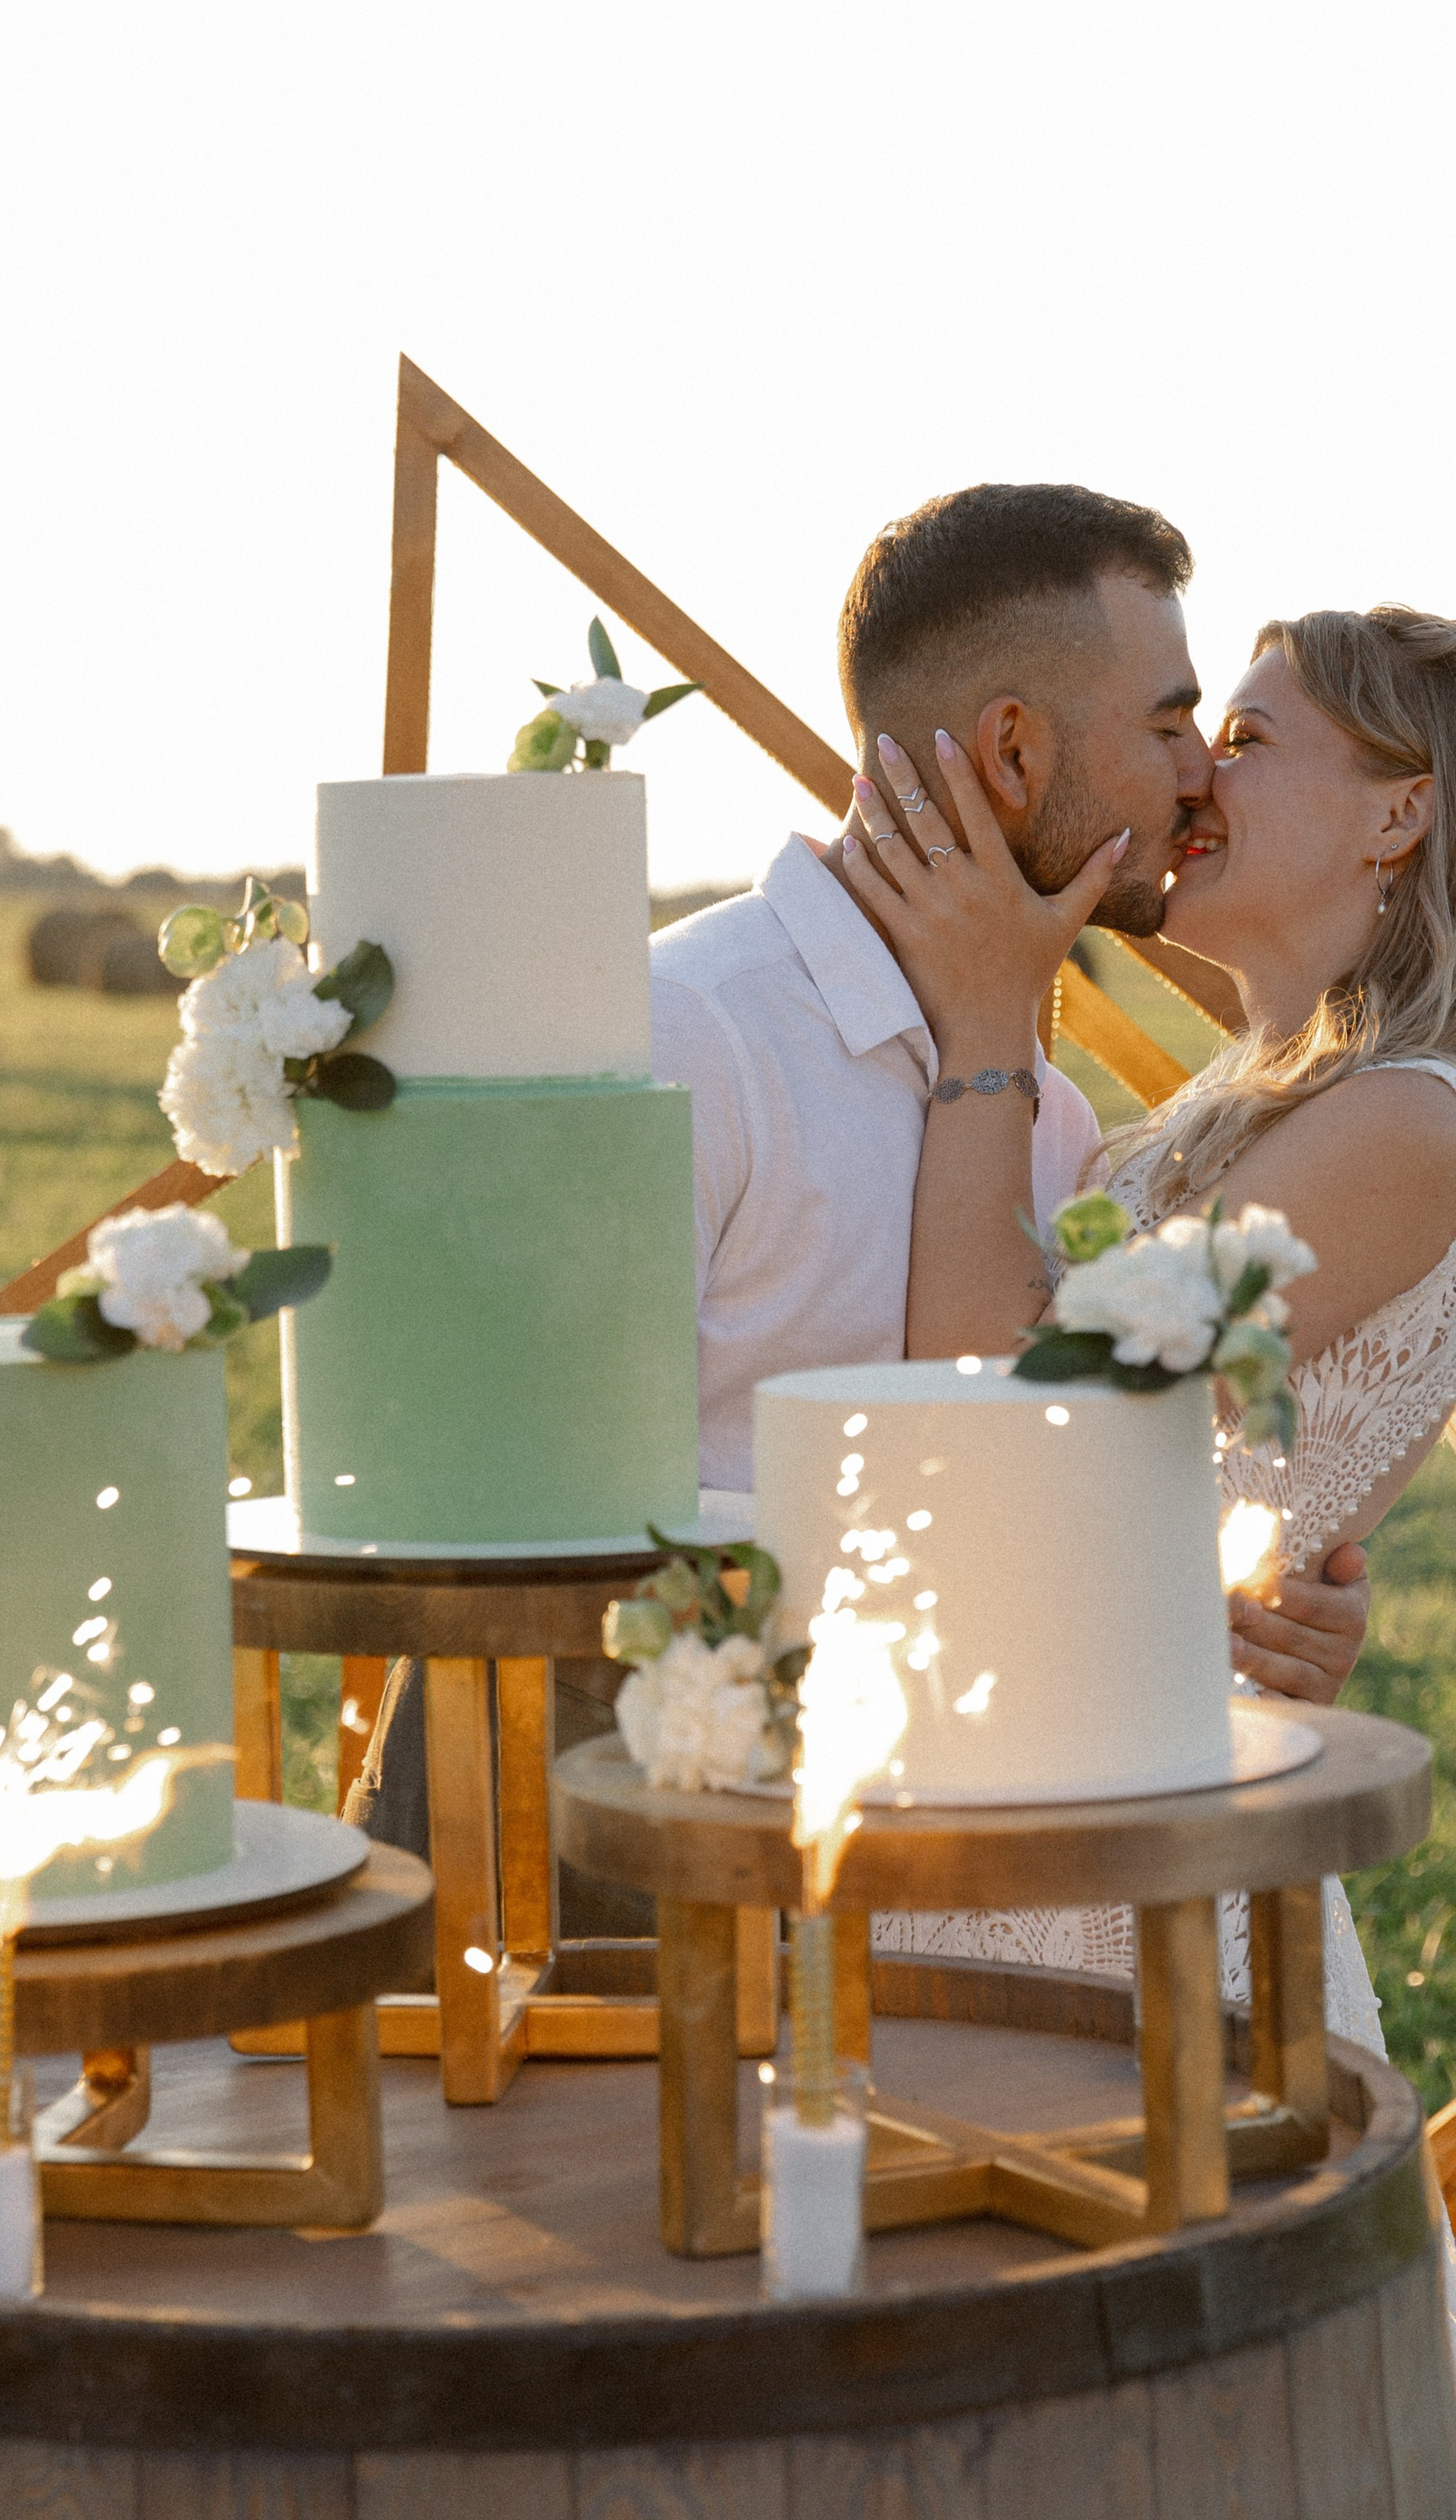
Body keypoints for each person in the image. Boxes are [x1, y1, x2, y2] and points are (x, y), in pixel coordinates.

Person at [842, 602, 1456, 2520]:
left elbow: (1008, 1424)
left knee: (1167, 2499)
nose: (1201, 779)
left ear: (1402, 807)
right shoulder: (1250, 1098)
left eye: (1257, 738)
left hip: (1150, 1896)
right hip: (1081, 1812)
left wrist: (986, 1034)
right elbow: (1163, 1475)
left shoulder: (1409, 1121)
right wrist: (1227, 1575)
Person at [350, 488, 1372, 1864]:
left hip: (884, 1847)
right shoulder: (686, 1033)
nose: (1199, 771)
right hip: (571, 1832)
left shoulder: (1041, 1120)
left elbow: (1015, 1484)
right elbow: (495, 1485)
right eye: (1167, 721)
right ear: (1013, 748)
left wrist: (1215, 1596)